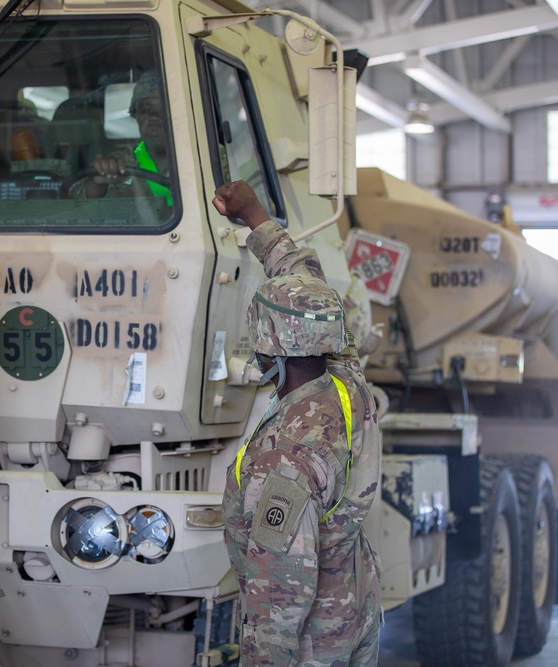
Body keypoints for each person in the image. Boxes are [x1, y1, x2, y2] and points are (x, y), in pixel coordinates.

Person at [213, 180, 382, 666]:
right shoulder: (348, 387)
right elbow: (305, 283)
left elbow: (278, 603)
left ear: (270, 348)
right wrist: (256, 216)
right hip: (355, 615)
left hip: (311, 647)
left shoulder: (285, 459)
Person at [75, 70, 172, 203]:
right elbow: (80, 205)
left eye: (164, 109)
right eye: (146, 110)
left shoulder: (198, 159)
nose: (154, 117)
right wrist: (97, 183)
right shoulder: (120, 161)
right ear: (135, 115)